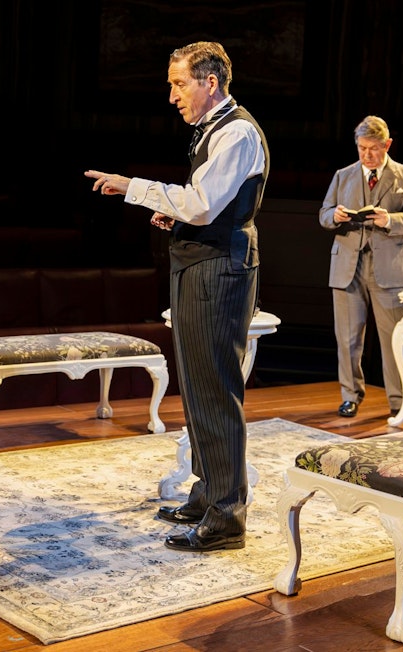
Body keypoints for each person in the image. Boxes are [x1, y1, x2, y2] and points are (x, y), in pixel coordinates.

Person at [84, 41, 268, 552]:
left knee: (216, 389)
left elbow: (206, 206)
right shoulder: (213, 130)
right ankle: (209, 492)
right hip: (198, 264)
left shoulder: (236, 132)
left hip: (219, 269)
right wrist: (178, 213)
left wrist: (133, 186)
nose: (172, 96)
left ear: (210, 82)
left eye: (179, 83)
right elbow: (202, 204)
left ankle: (227, 516)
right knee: (196, 383)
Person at [319, 115, 403, 423]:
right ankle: (350, 396)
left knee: (395, 337)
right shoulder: (344, 175)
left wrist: (389, 220)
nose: (367, 155)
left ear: (387, 145)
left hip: (388, 268)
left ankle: (400, 402)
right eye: (362, 148)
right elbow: (323, 214)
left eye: (374, 149)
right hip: (347, 265)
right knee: (348, 339)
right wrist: (335, 216)